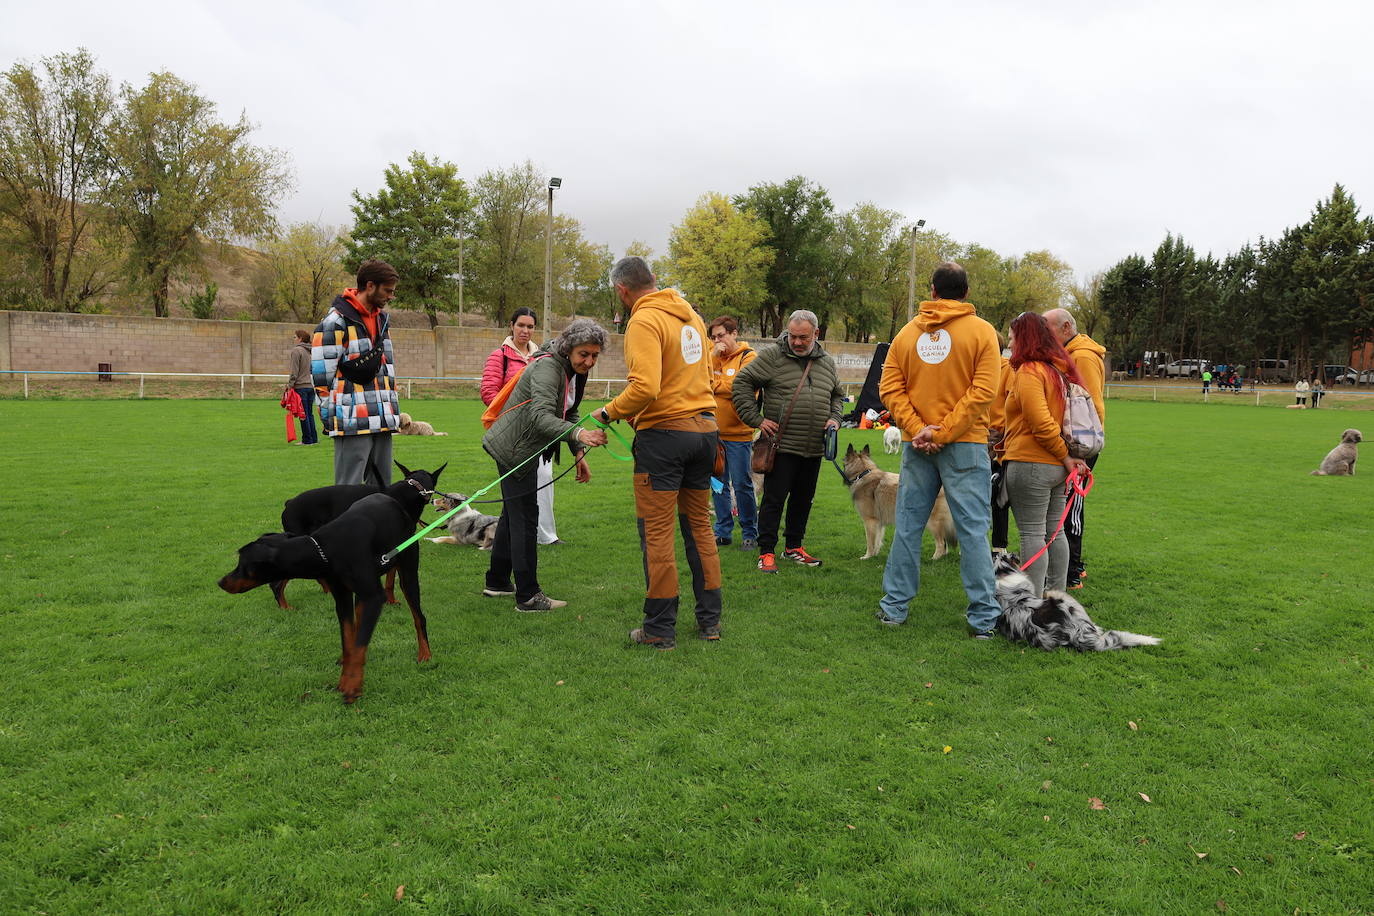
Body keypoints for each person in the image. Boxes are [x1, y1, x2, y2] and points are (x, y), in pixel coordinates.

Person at [593, 256, 721, 650]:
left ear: (622, 290)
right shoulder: (692, 317)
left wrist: (608, 412)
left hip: (665, 438)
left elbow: (645, 387)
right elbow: (705, 378)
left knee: (658, 532)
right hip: (705, 432)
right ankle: (710, 622)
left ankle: (659, 628)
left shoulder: (643, 320)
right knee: (700, 527)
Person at [875, 261, 1002, 637]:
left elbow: (889, 388)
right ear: (966, 293)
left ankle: (894, 608)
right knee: (974, 531)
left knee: (908, 527)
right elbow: (984, 392)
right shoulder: (982, 333)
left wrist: (919, 430)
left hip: (920, 446)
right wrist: (943, 433)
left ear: (932, 291)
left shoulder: (906, 334)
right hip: (964, 444)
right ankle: (983, 619)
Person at [481, 319, 609, 612]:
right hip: (514, 450)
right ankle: (528, 596)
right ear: (569, 348)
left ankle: (497, 581)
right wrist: (581, 434)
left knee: (515, 513)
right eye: (584, 355)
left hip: (524, 447)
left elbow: (570, 410)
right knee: (526, 517)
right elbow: (541, 416)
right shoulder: (548, 367)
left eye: (594, 355)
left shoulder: (572, 369)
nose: (589, 361)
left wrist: (578, 451)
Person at [731, 310, 844, 572]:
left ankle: (794, 547)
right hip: (781, 445)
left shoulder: (826, 362)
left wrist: (835, 419)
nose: (796, 342)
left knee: (803, 500)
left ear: (816, 334)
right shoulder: (773, 356)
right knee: (774, 500)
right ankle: (766, 552)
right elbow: (742, 382)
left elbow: (837, 395)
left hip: (814, 447)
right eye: (793, 336)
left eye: (803, 337)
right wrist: (756, 419)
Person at [1002, 312, 1091, 596]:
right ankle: (1056, 595)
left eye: (1013, 336)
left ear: (1025, 338)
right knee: (1055, 531)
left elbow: (1040, 423)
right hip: (1054, 467)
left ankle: (1033, 601)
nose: (1010, 342)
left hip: (1033, 463)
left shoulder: (1030, 371)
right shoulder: (1057, 370)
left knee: (1032, 534)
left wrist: (1065, 456)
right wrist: (1064, 458)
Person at [312, 259, 400, 486]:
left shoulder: (382, 321)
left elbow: (388, 370)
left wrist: (392, 412)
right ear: (370, 286)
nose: (391, 297)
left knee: (382, 490)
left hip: (382, 419)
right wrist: (326, 416)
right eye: (387, 291)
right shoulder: (334, 322)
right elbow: (321, 375)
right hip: (351, 420)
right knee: (347, 491)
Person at [482, 308, 562, 545]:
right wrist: (515, 414)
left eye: (530, 327)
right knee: (517, 486)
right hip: (513, 434)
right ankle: (516, 535)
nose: (525, 331)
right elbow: (489, 392)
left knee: (544, 477)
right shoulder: (500, 356)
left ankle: (544, 534)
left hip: (539, 429)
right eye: (521, 325)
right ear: (511, 325)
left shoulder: (542, 356)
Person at [1042, 307, 1106, 589]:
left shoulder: (1081, 357)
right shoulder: (1070, 354)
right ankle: (1068, 568)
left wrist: (1080, 452)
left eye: (1049, 328)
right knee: (1064, 507)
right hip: (1072, 444)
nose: (1045, 334)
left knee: (1071, 507)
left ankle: (1073, 570)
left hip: (1080, 446)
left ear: (1066, 327)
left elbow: (1088, 405)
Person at [707, 316, 759, 549]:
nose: (718, 341)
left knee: (742, 484)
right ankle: (723, 530)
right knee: (718, 485)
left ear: (734, 333)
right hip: (713, 433)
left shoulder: (749, 357)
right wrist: (713, 359)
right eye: (714, 337)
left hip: (739, 434)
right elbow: (699, 379)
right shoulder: (713, 357)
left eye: (722, 335)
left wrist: (713, 385)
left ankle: (749, 532)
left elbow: (739, 387)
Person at [988, 330, 1015, 555]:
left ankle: (999, 546)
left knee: (999, 497)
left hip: (1000, 443)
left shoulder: (1008, 370)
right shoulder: (976, 369)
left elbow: (1013, 407)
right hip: (976, 438)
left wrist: (1000, 437)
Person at [288, 329, 318, 446]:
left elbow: (294, 371)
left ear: (300, 338)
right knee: (309, 414)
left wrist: (290, 385)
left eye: (295, 337)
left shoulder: (297, 351)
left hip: (300, 387)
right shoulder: (309, 351)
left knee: (303, 415)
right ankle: (313, 439)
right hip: (310, 387)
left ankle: (307, 440)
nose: (294, 339)